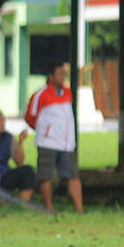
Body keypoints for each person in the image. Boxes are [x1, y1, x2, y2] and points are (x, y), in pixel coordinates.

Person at [24, 62, 84, 213]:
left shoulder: (67, 92)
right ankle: (48, 207)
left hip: (67, 143)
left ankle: (79, 208)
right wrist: (46, 131)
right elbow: (30, 117)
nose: (62, 77)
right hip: (48, 142)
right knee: (45, 175)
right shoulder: (41, 94)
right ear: (50, 76)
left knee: (72, 175)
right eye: (59, 73)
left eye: (63, 74)